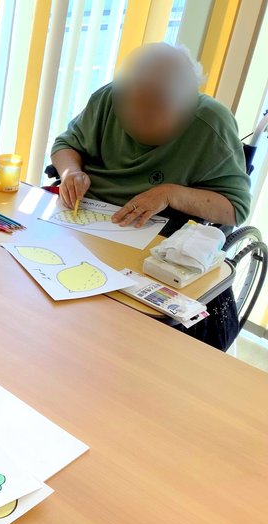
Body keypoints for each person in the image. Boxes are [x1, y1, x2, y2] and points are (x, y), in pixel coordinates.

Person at [50, 43, 252, 350]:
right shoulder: (108, 97)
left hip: (156, 245)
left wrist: (170, 194)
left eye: (152, 115)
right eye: (130, 108)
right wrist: (70, 172)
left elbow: (236, 208)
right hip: (86, 222)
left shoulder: (212, 124)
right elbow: (66, 144)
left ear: (186, 109)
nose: (135, 120)